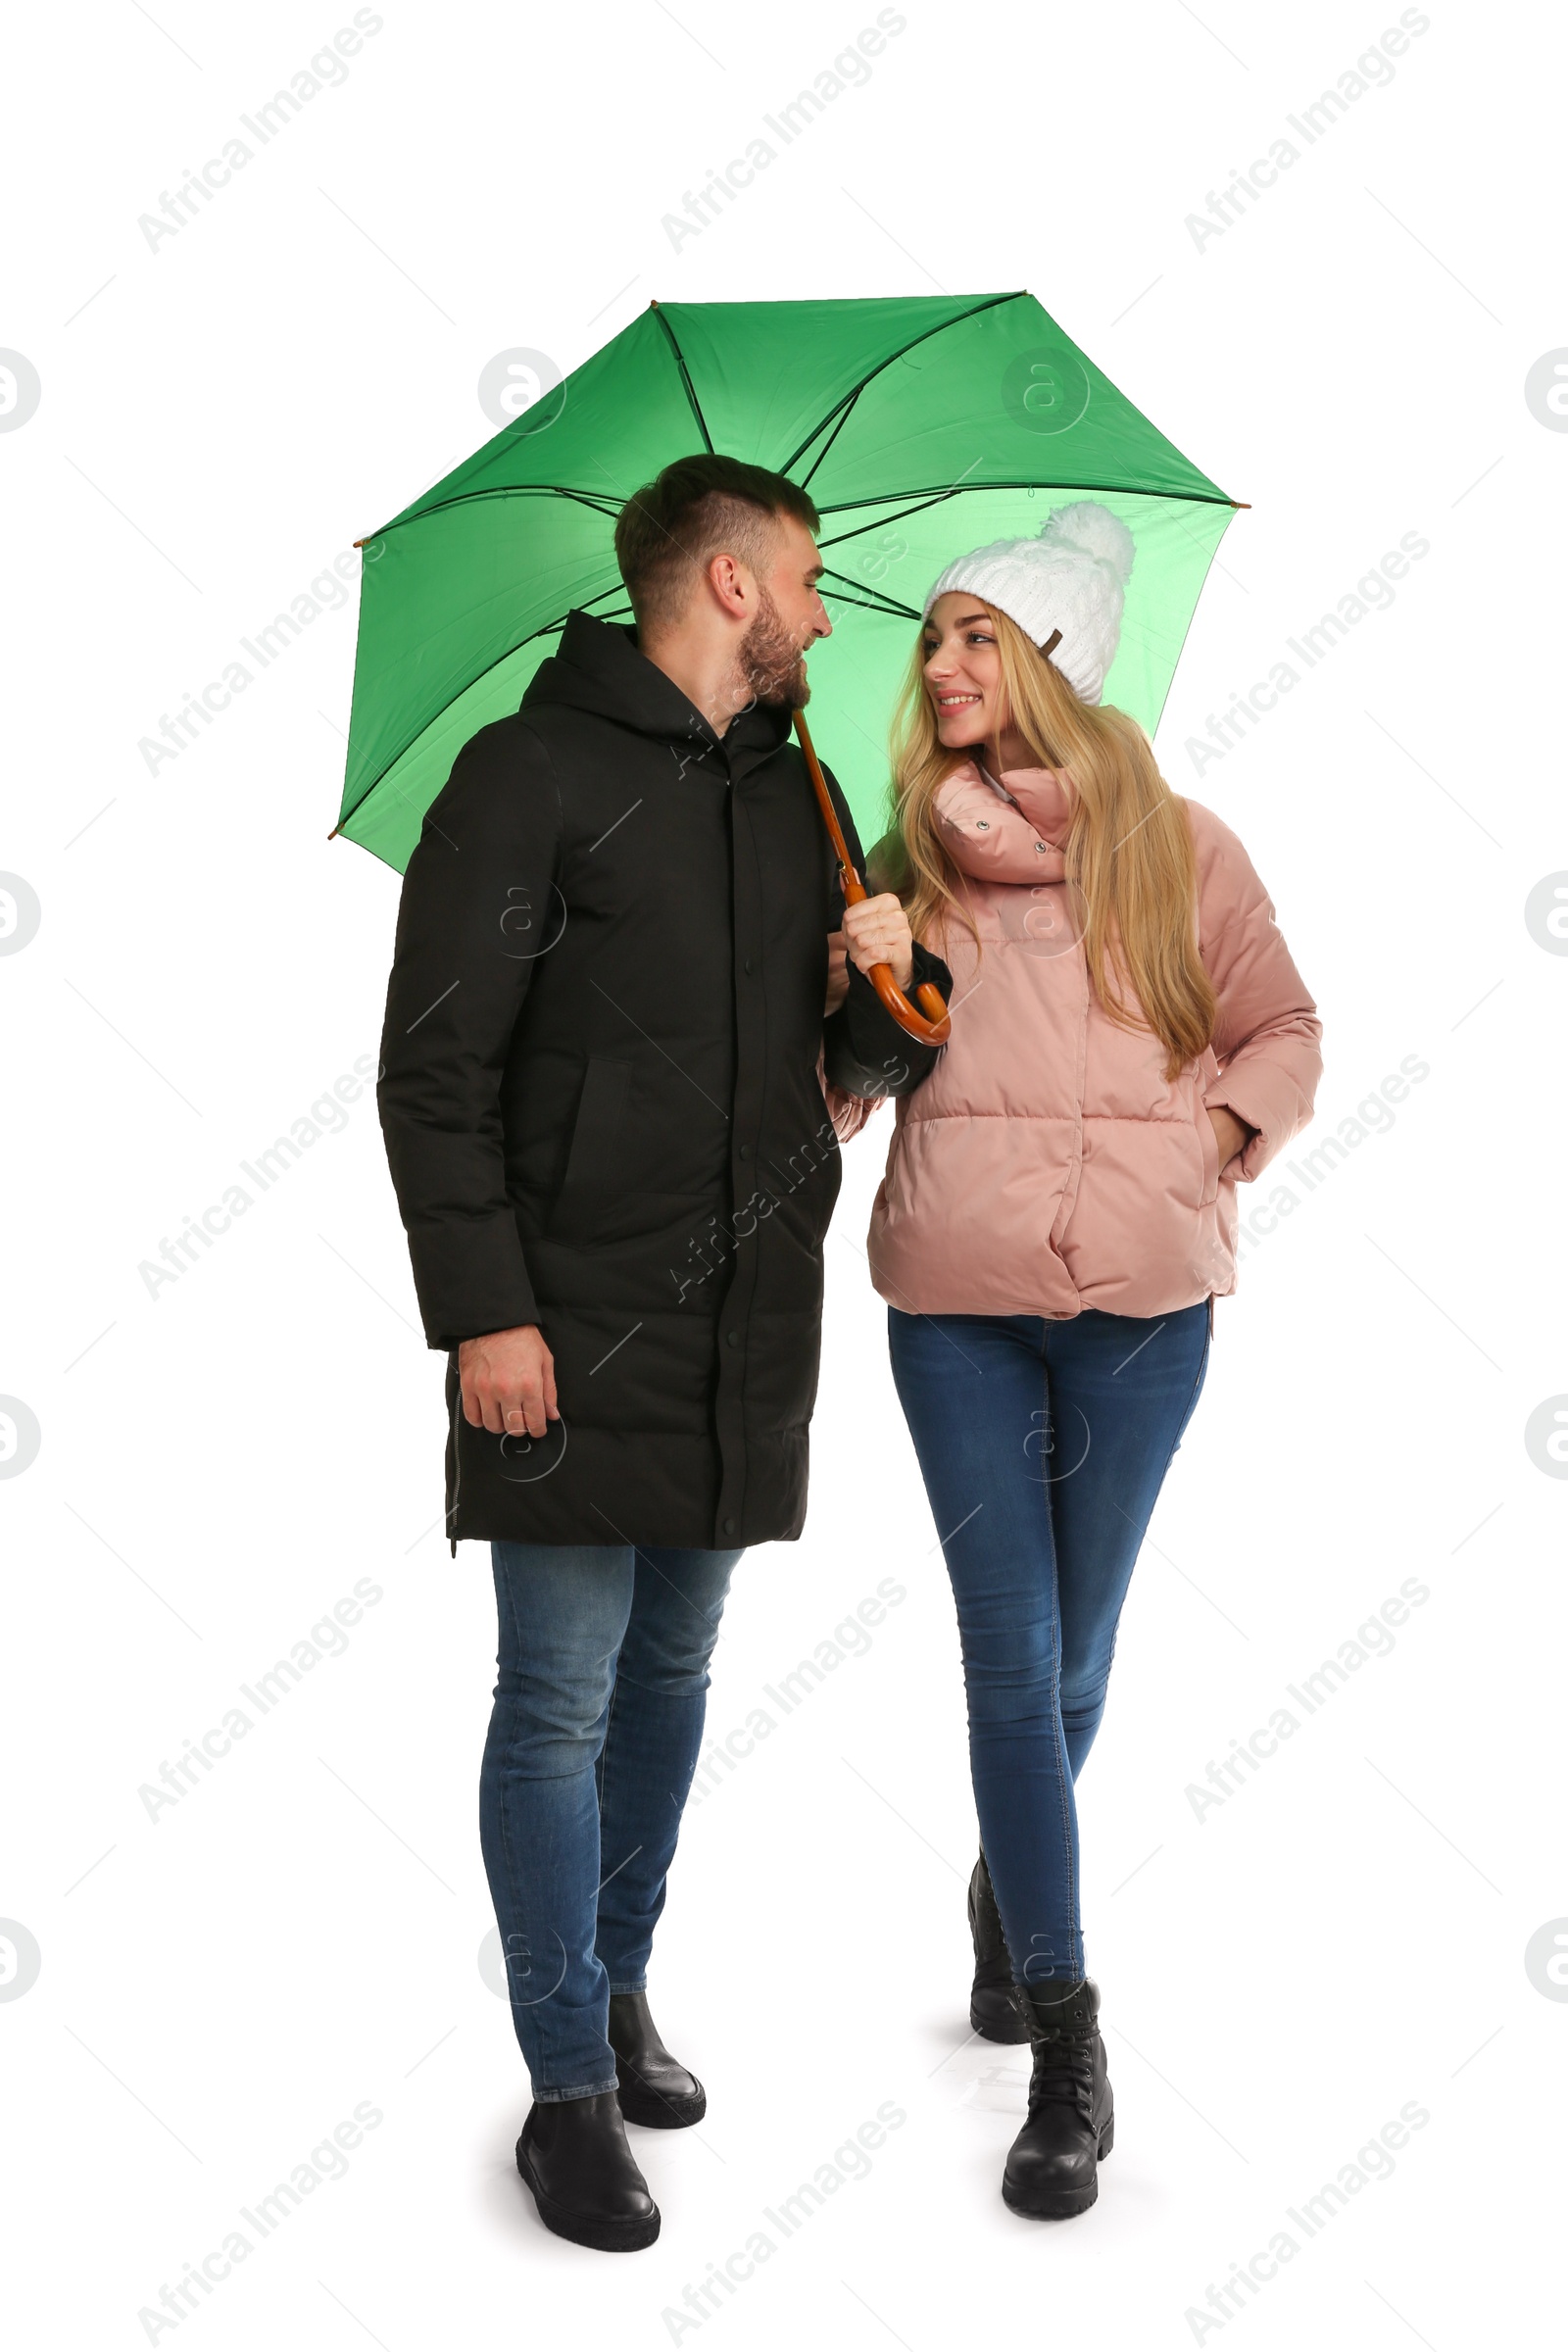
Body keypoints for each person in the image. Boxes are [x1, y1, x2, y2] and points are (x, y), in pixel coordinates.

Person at [374, 453, 950, 2252]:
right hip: (555, 1326)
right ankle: (562, 2085)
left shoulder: (813, 803)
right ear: (724, 587)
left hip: (744, 1325)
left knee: (673, 1678)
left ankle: (617, 1983)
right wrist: (484, 1310)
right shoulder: (524, 776)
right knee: (555, 1697)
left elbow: (854, 1081)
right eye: (802, 578)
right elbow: (436, 1070)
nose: (822, 614)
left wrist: (882, 983)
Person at [863, 502, 1322, 2220]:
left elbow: (1287, 1026)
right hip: (958, 1312)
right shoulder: (905, 867)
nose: (943, 663)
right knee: (1011, 1659)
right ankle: (1069, 2042)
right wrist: (866, 994)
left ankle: (1009, 1886)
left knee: (1077, 1657)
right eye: (933, 639)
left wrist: (1211, 1131)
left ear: (1053, 656)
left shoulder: (1182, 847)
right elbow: (848, 1092)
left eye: (979, 632)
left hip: (1144, 1309)